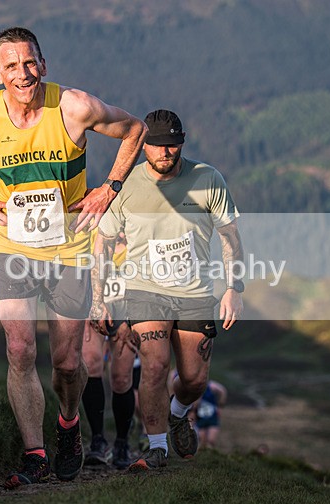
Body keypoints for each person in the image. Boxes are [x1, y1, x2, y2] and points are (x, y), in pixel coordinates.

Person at [0, 27, 146, 488]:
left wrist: (110, 188)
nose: (22, 74)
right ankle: (35, 454)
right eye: (11, 66)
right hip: (13, 248)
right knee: (20, 350)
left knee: (67, 363)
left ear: (42, 65)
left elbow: (135, 130)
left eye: (30, 63)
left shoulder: (74, 107)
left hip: (70, 249)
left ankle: (68, 427)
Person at [90, 109, 244, 471]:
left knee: (193, 379)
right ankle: (156, 447)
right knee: (155, 366)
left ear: (182, 144)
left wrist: (233, 287)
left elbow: (230, 235)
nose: (166, 153)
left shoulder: (208, 179)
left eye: (173, 146)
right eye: (158, 146)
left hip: (194, 293)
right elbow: (104, 242)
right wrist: (98, 300)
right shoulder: (127, 187)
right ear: (144, 146)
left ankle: (177, 412)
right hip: (145, 290)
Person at [81, 233, 139, 469]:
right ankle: (97, 439)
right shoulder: (94, 231)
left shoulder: (138, 233)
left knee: (121, 377)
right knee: (92, 363)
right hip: (92, 303)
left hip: (127, 307)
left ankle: (122, 442)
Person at [191, 379, 227, 449]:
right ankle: (204, 457)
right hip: (201, 418)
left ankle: (210, 454)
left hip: (212, 417)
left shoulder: (211, 385)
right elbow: (193, 407)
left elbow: (223, 391)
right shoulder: (194, 388)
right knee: (201, 441)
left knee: (211, 440)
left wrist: (220, 405)